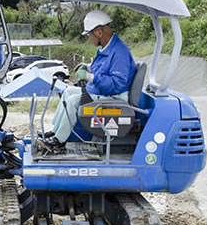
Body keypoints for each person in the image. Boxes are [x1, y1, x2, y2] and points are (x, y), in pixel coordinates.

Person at [38, 9, 136, 152]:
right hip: (101, 92)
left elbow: (116, 85)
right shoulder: (107, 49)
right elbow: (101, 69)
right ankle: (56, 131)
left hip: (113, 98)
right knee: (68, 92)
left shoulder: (119, 52)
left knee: (73, 101)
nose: (89, 38)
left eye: (89, 34)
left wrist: (91, 77)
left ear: (98, 32)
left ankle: (59, 141)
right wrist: (88, 67)